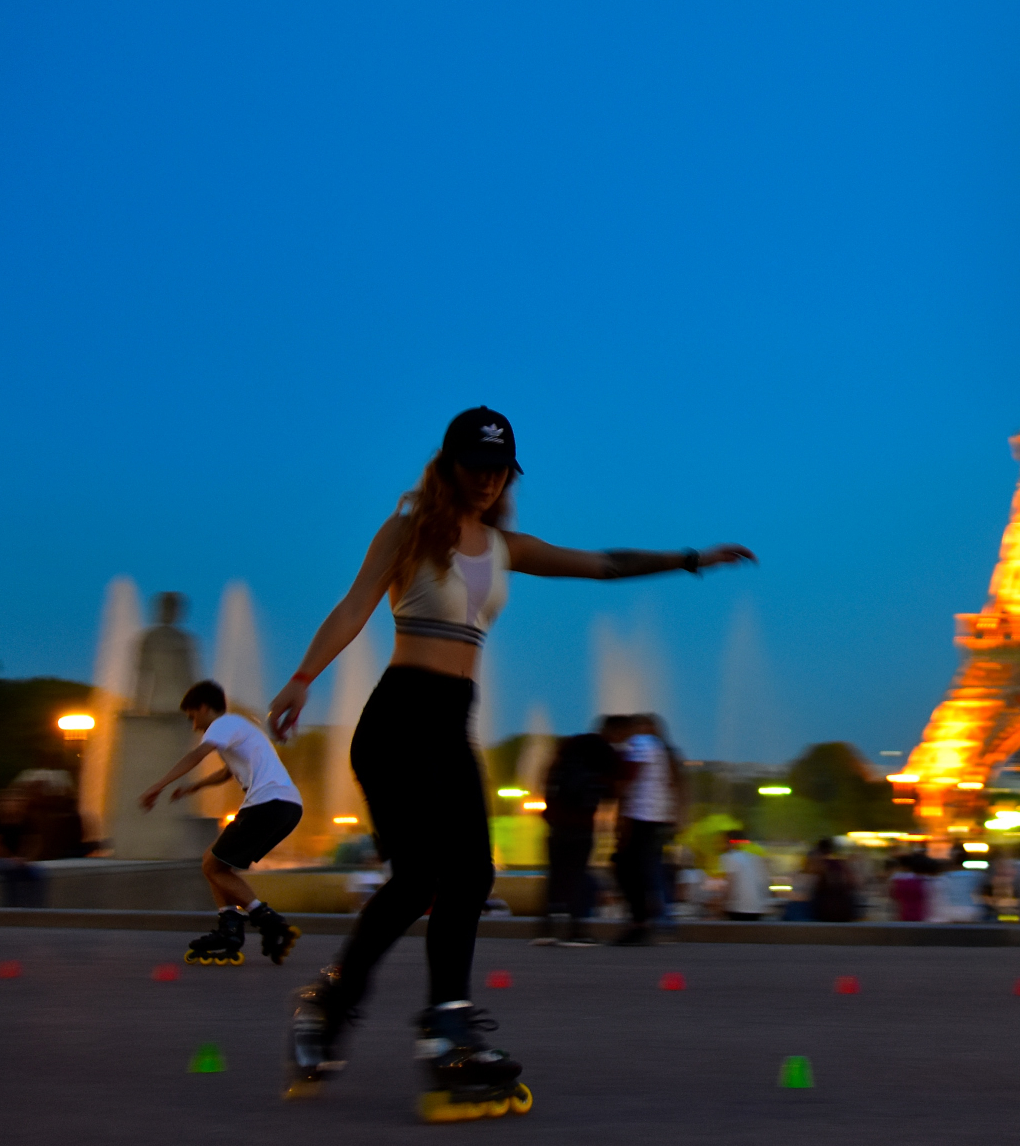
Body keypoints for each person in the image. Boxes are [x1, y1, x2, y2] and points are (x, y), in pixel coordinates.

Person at [265, 406, 753, 1118]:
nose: (489, 481)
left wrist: (688, 559)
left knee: (468, 874)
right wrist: (303, 678)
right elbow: (353, 607)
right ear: (449, 465)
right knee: (418, 878)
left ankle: (446, 1029)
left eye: (501, 469)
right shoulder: (406, 532)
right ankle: (334, 1005)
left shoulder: (504, 546)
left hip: (451, 726)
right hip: (398, 720)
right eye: (477, 466)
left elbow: (603, 565)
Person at [139, 680, 305, 966]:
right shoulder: (242, 728)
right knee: (215, 863)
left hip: (267, 804)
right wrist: (194, 787)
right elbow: (227, 772)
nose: (195, 727)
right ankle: (231, 926)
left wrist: (159, 785)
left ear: (204, 708)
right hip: (288, 807)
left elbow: (196, 755)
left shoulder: (222, 724)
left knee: (212, 866)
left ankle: (268, 923)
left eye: (193, 717)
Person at [533, 716, 629, 947]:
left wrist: (548, 806)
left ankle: (546, 928)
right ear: (615, 731)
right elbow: (616, 790)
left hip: (558, 820)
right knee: (577, 875)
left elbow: (549, 771)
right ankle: (576, 929)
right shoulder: (608, 753)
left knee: (555, 874)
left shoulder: (572, 744)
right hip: (583, 824)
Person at [612, 713, 687, 946]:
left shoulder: (643, 744)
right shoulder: (666, 752)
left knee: (635, 867)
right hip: (658, 818)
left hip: (643, 817)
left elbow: (630, 777)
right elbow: (675, 786)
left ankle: (646, 920)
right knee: (650, 867)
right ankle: (656, 918)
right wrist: (677, 816)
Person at [719, 829, 771, 921]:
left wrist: (722, 904)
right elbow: (765, 881)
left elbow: (730, 883)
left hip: (739, 907)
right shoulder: (755, 857)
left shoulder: (730, 857)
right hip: (757, 907)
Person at [810, 836, 861, 922]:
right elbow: (853, 882)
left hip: (824, 908)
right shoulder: (841, 864)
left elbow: (813, 886)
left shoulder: (818, 865)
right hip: (843, 907)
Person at [887, 853, 928, 922]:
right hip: (919, 913)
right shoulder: (921, 878)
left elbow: (891, 895)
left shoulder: (895, 878)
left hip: (901, 913)